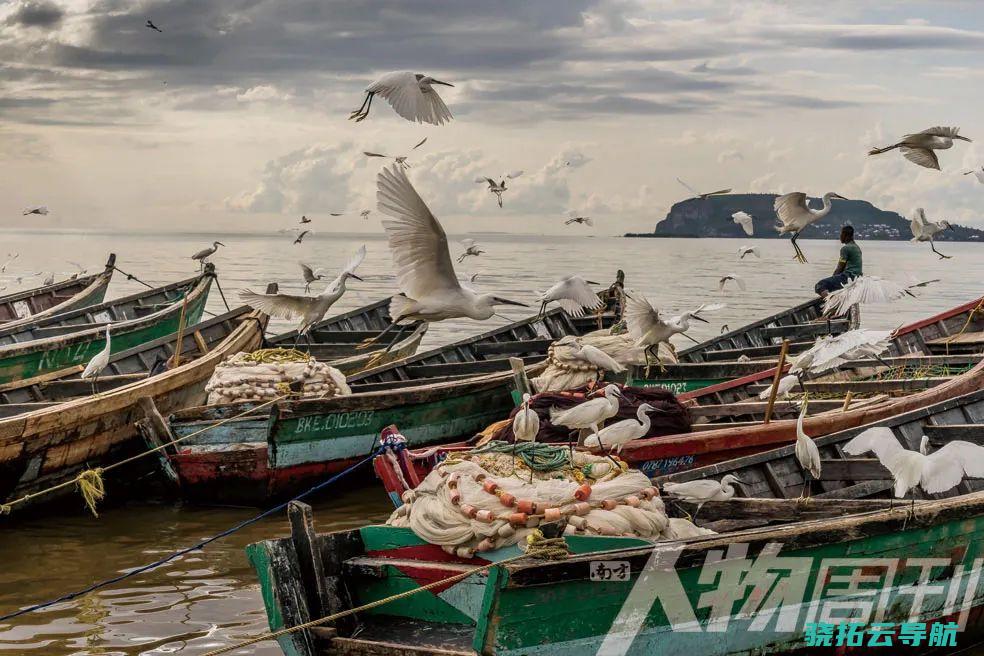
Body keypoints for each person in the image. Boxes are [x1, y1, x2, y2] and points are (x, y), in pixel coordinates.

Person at [815, 225, 862, 297]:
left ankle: (832, 301)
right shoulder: (857, 247)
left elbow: (840, 268)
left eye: (841, 234)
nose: (840, 237)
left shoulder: (846, 248)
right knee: (831, 285)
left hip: (848, 278)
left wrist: (833, 278)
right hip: (857, 278)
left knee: (820, 285)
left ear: (845, 235)